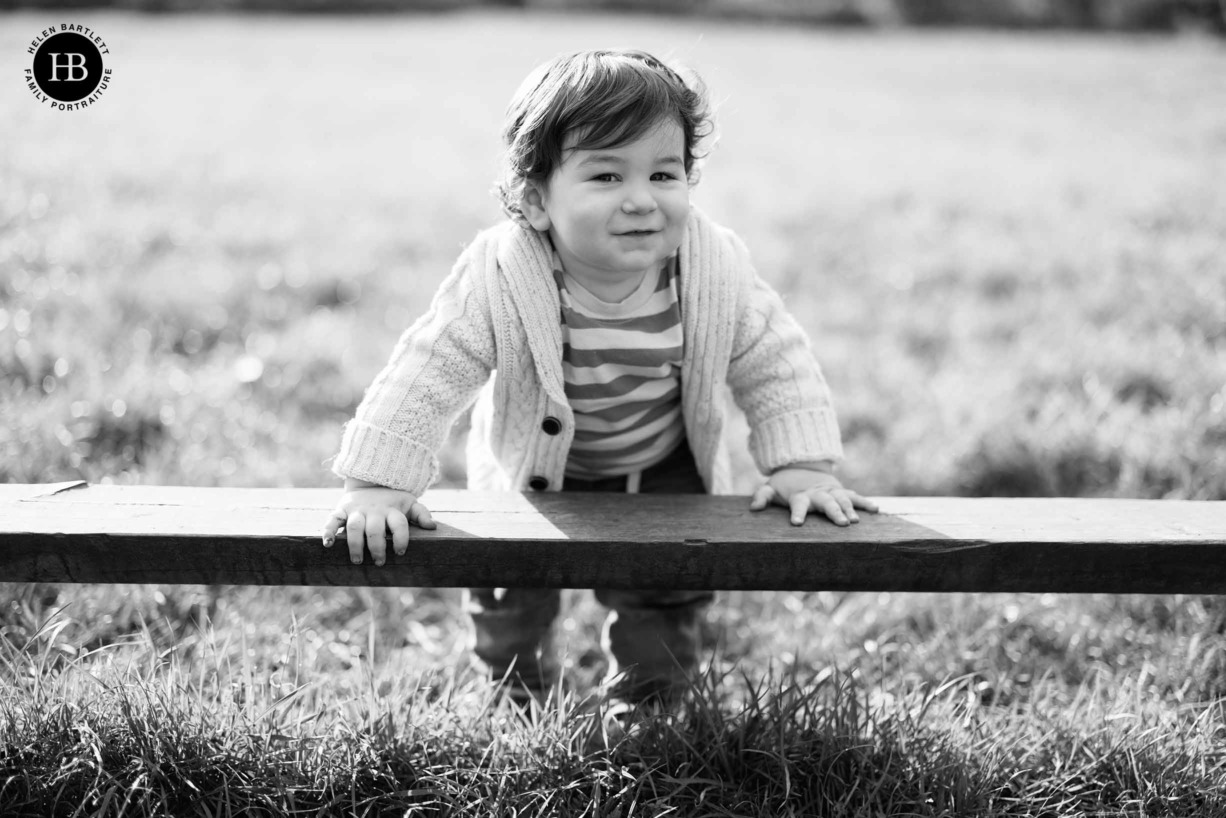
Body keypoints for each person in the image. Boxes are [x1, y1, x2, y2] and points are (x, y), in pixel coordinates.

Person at [321, 48, 876, 708]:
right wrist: (378, 484)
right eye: (607, 176)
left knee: (664, 592)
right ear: (534, 200)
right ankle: (514, 695)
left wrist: (801, 468)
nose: (642, 200)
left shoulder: (712, 268)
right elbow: (430, 365)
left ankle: (651, 702)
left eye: (664, 174)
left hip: (662, 464)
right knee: (508, 588)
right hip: (532, 468)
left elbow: (775, 359)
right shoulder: (505, 273)